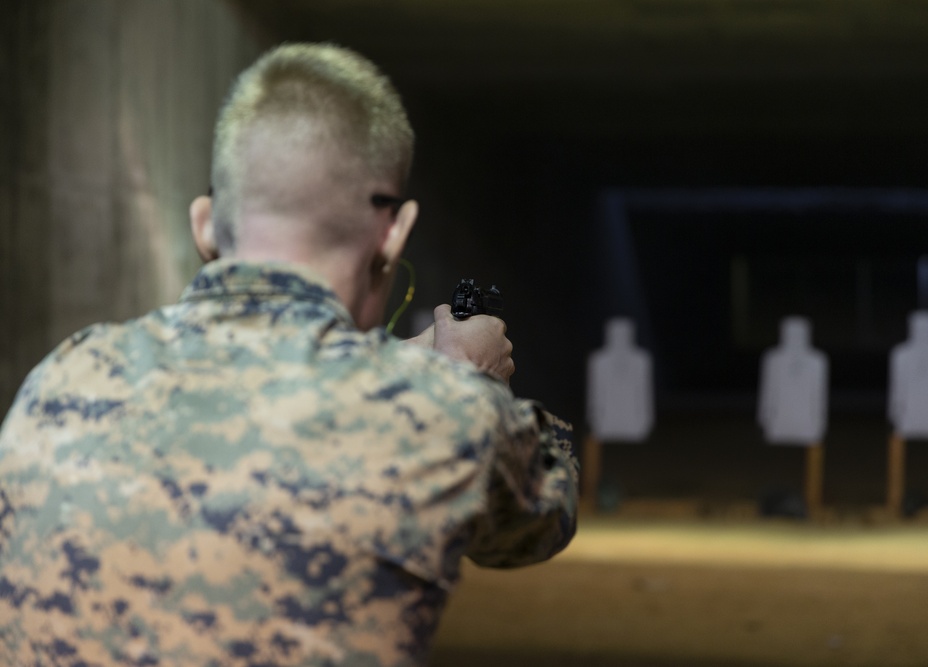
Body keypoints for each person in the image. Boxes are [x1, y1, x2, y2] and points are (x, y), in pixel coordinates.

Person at [0, 43, 577, 666]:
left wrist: (409, 377)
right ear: (394, 232)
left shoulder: (60, 379)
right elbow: (546, 510)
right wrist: (469, 385)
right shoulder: (440, 416)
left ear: (203, 225)